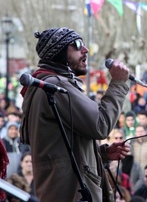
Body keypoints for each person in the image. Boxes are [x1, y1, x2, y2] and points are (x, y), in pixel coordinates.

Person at [20, 27, 131, 201]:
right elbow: (100, 125)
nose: (85, 50)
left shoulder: (47, 83)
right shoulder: (56, 86)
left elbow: (60, 149)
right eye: (77, 45)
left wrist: (100, 153)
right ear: (58, 52)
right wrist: (118, 83)